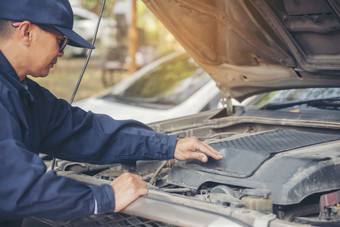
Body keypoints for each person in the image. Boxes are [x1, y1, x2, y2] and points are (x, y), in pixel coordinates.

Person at [0, 0, 223, 225]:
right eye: (61, 41)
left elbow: (83, 130)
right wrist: (102, 198)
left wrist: (168, 145)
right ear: (26, 32)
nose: (61, 53)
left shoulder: (20, 91)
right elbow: (13, 184)